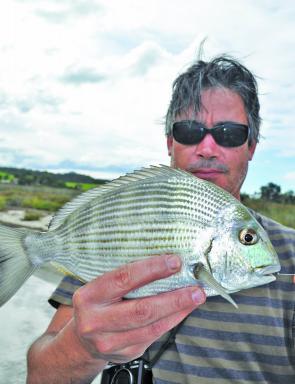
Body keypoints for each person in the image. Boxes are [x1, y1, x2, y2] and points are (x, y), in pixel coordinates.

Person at [26, 54, 295, 383]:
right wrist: (84, 347)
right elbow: (40, 376)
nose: (207, 147)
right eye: (189, 130)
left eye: (228, 133)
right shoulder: (116, 226)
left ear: (251, 146)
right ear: (170, 141)